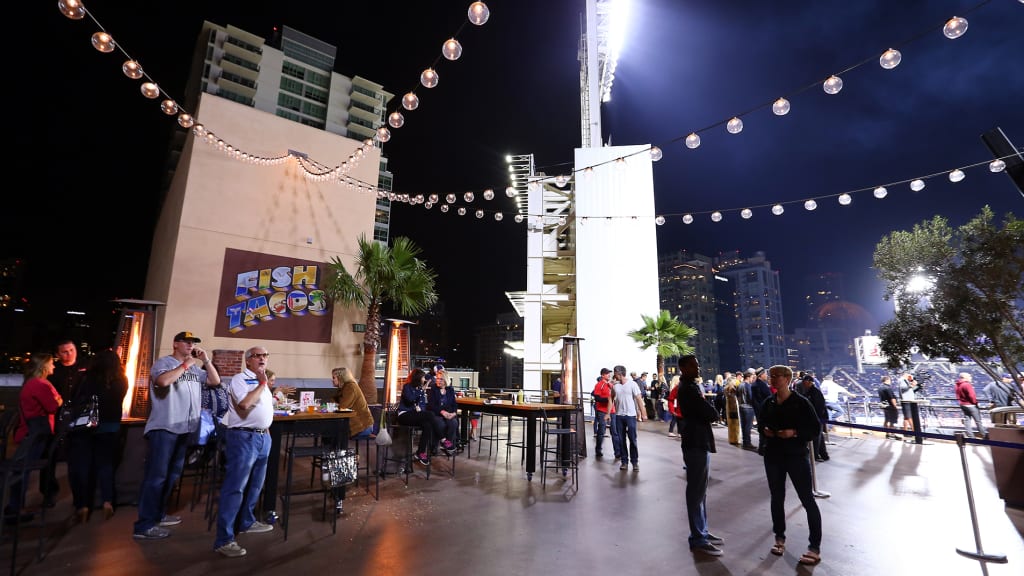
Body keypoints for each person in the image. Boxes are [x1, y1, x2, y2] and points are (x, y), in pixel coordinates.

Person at [133, 331, 221, 540]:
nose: (191, 345)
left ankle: (159, 514)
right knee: (156, 477)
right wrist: (185, 365)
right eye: (187, 342)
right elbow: (162, 382)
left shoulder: (193, 367)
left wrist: (206, 361)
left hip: (184, 429)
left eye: (193, 342)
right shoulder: (163, 363)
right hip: (165, 428)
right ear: (175, 344)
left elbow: (214, 382)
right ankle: (144, 525)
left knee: (172, 476)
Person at [758, 365, 823, 566]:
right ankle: (779, 538)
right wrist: (766, 431)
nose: (772, 379)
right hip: (773, 455)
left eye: (776, 376)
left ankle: (814, 547)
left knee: (807, 499)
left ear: (787, 378)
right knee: (776, 498)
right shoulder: (768, 402)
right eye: (771, 376)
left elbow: (814, 429)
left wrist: (794, 433)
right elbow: (761, 424)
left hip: (795, 455)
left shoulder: (801, 403)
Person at [214, 346, 275, 558]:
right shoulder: (240, 379)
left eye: (265, 355)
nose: (263, 358)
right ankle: (224, 539)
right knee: (235, 488)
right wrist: (262, 383)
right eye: (258, 355)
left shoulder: (261, 381)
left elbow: (262, 409)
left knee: (256, 485)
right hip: (243, 438)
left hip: (262, 438)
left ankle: (247, 522)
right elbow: (244, 404)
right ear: (248, 360)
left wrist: (266, 431)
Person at [67, 349, 128, 523]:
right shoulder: (122, 380)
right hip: (111, 427)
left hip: (87, 427)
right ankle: (108, 502)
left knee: (83, 466)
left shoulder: (87, 379)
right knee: (106, 465)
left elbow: (74, 398)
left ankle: (83, 506)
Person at [5, 353, 63, 522]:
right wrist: (58, 399)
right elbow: (53, 405)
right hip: (35, 435)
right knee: (23, 471)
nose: (54, 366)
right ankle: (15, 509)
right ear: (44, 366)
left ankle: (15, 507)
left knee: (21, 470)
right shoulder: (40, 384)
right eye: (51, 363)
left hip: (29, 432)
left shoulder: (31, 384)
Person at [676, 355, 724, 556]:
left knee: (700, 490)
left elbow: (709, 411)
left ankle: (701, 531)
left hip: (697, 441)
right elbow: (711, 413)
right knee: (696, 491)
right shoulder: (688, 389)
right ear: (684, 368)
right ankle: (698, 537)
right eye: (694, 365)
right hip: (695, 442)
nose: (698, 367)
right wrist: (710, 411)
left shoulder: (690, 387)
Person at [397, 368, 443, 466]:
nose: (424, 379)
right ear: (417, 378)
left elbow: (422, 406)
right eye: (423, 377)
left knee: (428, 425)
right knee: (430, 415)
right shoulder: (407, 387)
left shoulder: (420, 390)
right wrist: (420, 391)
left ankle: (420, 452)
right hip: (404, 415)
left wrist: (421, 409)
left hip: (415, 415)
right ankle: (442, 438)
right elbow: (410, 400)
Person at [610, 365, 645, 471]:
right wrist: (609, 413)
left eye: (614, 373)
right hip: (619, 416)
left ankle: (634, 462)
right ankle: (624, 462)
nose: (613, 375)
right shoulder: (615, 386)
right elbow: (611, 398)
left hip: (630, 416)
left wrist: (643, 413)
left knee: (632, 439)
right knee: (621, 440)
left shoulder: (632, 384)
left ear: (619, 373)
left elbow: (639, 399)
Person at [331, 366, 374, 439]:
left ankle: (337, 450)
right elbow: (334, 402)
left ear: (341, 377)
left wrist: (335, 405)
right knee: (329, 430)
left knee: (330, 431)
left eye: (333, 377)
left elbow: (343, 407)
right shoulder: (343, 388)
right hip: (356, 424)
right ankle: (333, 449)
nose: (332, 380)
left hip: (362, 427)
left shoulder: (351, 387)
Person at [796, 374, 829, 462]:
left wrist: (815, 418)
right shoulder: (809, 391)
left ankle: (816, 455)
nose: (803, 383)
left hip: (817, 418)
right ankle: (823, 454)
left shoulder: (815, 392)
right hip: (816, 418)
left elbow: (819, 407)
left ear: (810, 382)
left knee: (816, 437)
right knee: (819, 437)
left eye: (805, 381)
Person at [426, 366, 458, 454]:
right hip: (436, 413)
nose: (437, 380)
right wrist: (442, 411)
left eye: (440, 379)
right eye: (437, 378)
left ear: (445, 380)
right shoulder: (433, 388)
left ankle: (448, 446)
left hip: (448, 413)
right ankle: (435, 446)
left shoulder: (450, 389)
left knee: (453, 423)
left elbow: (454, 404)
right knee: (440, 424)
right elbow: (431, 405)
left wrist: (454, 413)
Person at [591, 368, 619, 459]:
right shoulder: (599, 385)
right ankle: (598, 450)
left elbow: (614, 396)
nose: (609, 375)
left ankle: (617, 452)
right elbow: (597, 398)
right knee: (601, 431)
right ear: (602, 375)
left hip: (612, 411)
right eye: (607, 374)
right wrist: (608, 400)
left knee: (614, 432)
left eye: (609, 374)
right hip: (602, 411)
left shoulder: (610, 385)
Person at [51, 339, 88, 403]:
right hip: (60, 408)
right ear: (57, 355)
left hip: (83, 406)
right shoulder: (52, 369)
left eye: (72, 350)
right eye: (65, 352)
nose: (69, 353)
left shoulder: (86, 364)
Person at [955, 372, 987, 439]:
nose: (971, 378)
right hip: (971, 405)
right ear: (964, 377)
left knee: (967, 421)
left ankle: (970, 436)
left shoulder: (957, 385)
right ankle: (984, 435)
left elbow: (957, 396)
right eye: (969, 376)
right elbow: (972, 395)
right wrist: (975, 403)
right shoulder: (967, 385)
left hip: (963, 404)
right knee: (978, 421)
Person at [751, 367, 772, 454]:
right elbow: (768, 397)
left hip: (758, 410)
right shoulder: (762, 385)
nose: (766, 376)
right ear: (761, 375)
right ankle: (763, 449)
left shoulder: (754, 384)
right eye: (765, 374)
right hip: (763, 410)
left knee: (761, 430)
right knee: (765, 430)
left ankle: (761, 448)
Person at [738, 368, 757, 450]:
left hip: (741, 406)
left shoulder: (740, 384)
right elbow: (751, 397)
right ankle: (747, 443)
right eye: (752, 376)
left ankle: (745, 442)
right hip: (748, 407)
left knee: (743, 426)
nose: (753, 378)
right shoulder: (748, 385)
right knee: (748, 427)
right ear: (748, 377)